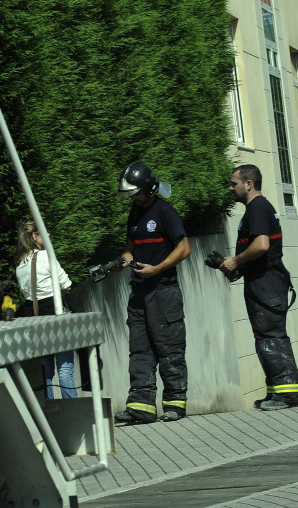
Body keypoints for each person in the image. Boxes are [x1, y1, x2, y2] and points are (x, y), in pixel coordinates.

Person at [219, 164, 298, 411]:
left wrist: (235, 261)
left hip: (267, 285)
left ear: (248, 184)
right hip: (265, 282)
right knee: (267, 338)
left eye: (234, 183)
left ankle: (287, 395)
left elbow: (262, 245)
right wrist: (236, 268)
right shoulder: (258, 209)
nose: (231, 188)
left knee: (271, 338)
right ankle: (277, 392)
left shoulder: (257, 208)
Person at [114, 161, 191, 424]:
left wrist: (157, 269)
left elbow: (184, 248)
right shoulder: (134, 214)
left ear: (148, 189)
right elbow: (130, 247)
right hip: (139, 293)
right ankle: (141, 407)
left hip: (163, 291)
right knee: (140, 350)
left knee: (169, 349)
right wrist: (124, 260)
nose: (133, 198)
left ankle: (175, 404)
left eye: (136, 192)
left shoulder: (165, 211)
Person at [14, 220, 78, 400]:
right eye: (44, 232)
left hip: (34, 320)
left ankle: (50, 411)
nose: (49, 235)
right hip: (55, 314)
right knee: (65, 369)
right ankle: (71, 408)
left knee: (45, 372)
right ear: (35, 236)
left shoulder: (20, 264)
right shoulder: (45, 257)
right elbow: (66, 284)